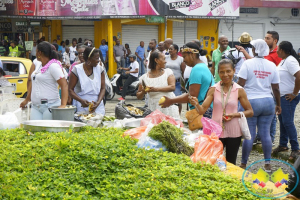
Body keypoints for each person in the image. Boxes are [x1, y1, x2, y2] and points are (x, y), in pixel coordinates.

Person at [189, 59, 253, 165]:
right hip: (216, 132)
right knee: (213, 160)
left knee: (231, 162)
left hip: (234, 132)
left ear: (234, 71)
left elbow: (250, 112)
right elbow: (202, 110)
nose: (225, 74)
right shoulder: (213, 89)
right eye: (222, 72)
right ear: (218, 73)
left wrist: (234, 115)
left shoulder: (239, 90)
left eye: (228, 71)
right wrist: (196, 103)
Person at [237, 39, 281, 172]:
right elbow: (276, 88)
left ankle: (244, 164)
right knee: (265, 134)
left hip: (251, 102)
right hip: (268, 101)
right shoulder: (271, 65)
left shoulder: (248, 64)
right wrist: (278, 104)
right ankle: (267, 164)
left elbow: (240, 84)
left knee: (249, 134)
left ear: (255, 49)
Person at [160, 42, 214, 119]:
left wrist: (171, 101)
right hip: (207, 110)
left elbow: (192, 96)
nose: (184, 60)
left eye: (184, 57)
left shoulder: (197, 69)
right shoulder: (202, 66)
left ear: (192, 55)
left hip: (202, 113)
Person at [20, 41, 68, 120]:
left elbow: (64, 85)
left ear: (39, 52)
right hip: (36, 106)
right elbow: (34, 83)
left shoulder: (53, 66)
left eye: (36, 51)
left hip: (50, 106)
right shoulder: (38, 64)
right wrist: (27, 99)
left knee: (48, 130)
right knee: (35, 130)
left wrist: (63, 104)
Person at [272, 41, 300, 160]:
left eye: (278, 49)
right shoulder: (284, 61)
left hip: (288, 97)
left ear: (282, 50)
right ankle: (283, 145)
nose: (276, 51)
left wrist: (294, 93)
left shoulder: (291, 61)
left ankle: (296, 149)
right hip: (282, 97)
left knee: (287, 121)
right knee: (282, 120)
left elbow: (299, 75)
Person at [136, 50, 180, 118]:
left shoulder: (168, 72)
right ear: (156, 60)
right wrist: (143, 92)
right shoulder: (144, 78)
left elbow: (172, 87)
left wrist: (155, 89)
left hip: (169, 107)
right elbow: (139, 96)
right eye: (163, 59)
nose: (165, 61)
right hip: (154, 108)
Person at [69, 47, 105, 115]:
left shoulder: (100, 69)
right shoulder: (77, 70)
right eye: (96, 58)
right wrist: (81, 101)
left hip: (98, 106)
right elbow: (70, 90)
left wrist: (98, 102)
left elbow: (103, 88)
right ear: (89, 59)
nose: (98, 60)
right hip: (81, 105)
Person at [165, 44, 186, 114]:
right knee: (167, 98)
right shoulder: (166, 58)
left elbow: (183, 71)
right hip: (166, 82)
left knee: (177, 99)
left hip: (177, 83)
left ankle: (178, 114)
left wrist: (183, 84)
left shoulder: (181, 59)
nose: (170, 50)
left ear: (176, 50)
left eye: (171, 49)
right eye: (169, 49)